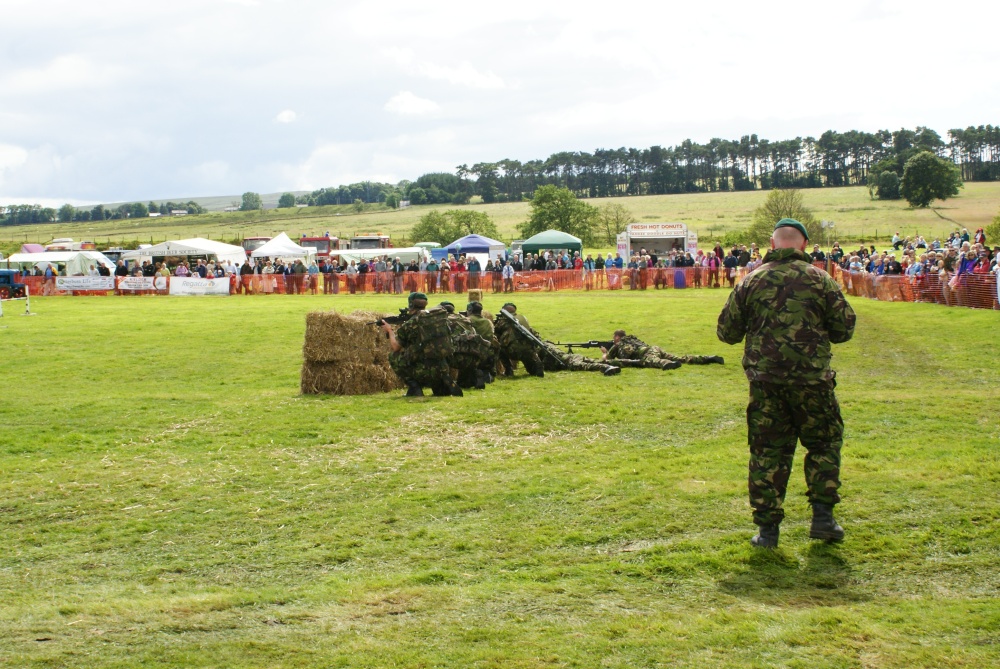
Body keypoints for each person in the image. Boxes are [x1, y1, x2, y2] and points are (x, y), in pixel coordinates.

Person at [717, 218, 856, 549]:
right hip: (813, 383)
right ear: (804, 244)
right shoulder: (821, 280)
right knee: (823, 446)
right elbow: (844, 330)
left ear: (772, 243)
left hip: (767, 384)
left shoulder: (751, 281)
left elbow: (727, 333)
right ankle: (823, 519)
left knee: (768, 453)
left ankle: (767, 532)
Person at [382, 292, 462, 397]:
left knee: (394, 356)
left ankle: (414, 387)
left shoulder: (410, 324)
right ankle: (441, 385)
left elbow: (396, 347)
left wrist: (389, 331)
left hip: (423, 371)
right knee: (440, 392)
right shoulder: (439, 319)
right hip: (443, 369)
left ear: (411, 304)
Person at [601, 330, 723, 369]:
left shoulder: (618, 345)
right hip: (654, 348)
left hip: (646, 354)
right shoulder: (631, 339)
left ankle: (668, 364)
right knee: (681, 358)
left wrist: (605, 352)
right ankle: (708, 358)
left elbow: (607, 359)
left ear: (617, 337)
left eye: (614, 337)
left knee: (654, 362)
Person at [493, 302, 544, 377]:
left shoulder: (502, 322)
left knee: (499, 349)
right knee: (532, 370)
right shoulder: (522, 320)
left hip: (512, 351)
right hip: (528, 351)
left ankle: (509, 371)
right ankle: (537, 365)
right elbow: (533, 333)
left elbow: (496, 335)